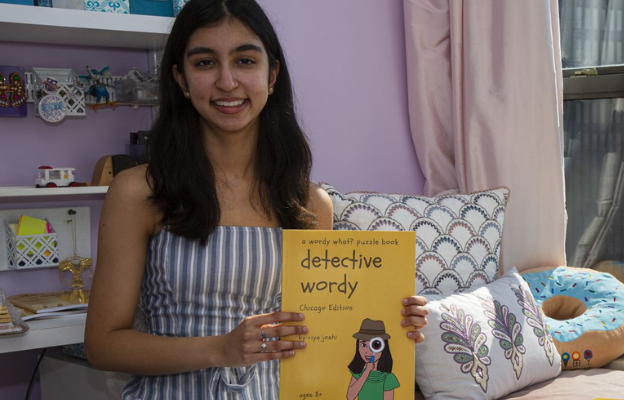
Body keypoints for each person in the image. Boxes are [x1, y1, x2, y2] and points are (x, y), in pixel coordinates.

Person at [83, 0, 428, 398]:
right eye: (205, 63)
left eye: (245, 61)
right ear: (180, 78)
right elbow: (103, 345)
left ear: (272, 74)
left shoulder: (310, 204)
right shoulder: (138, 191)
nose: (227, 82)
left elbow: (323, 335)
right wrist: (218, 348)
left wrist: (390, 322)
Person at [346, 319, 399, 400]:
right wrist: (367, 371)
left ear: (383, 347)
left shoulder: (387, 377)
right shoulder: (358, 373)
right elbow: (350, 397)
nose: (368, 351)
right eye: (363, 344)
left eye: (375, 345)